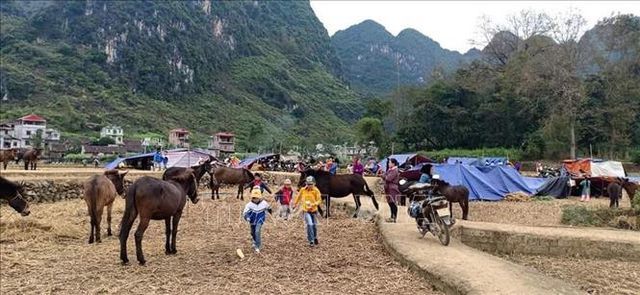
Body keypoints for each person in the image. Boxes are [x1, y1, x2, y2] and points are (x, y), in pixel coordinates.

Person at [293, 176, 322, 247]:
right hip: (306, 210)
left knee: (314, 225)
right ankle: (311, 240)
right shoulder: (303, 190)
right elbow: (298, 197)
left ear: (314, 184)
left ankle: (315, 237)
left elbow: (319, 200)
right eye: (308, 184)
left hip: (314, 210)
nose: (309, 185)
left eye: (311, 184)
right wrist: (295, 204)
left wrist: (314, 204)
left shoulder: (316, 190)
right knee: (309, 224)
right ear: (306, 183)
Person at [242, 187, 272, 253]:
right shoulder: (249, 205)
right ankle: (254, 241)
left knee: (257, 231)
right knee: (252, 232)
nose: (255, 199)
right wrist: (247, 217)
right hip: (252, 221)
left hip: (260, 219)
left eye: (257, 198)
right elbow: (245, 213)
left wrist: (271, 212)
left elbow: (269, 208)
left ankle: (258, 246)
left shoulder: (264, 203)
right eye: (253, 198)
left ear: (260, 197)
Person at [383, 158, 400, 223]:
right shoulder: (390, 170)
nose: (388, 164)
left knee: (393, 203)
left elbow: (388, 178)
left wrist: (384, 176)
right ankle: (392, 217)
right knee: (390, 203)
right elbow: (385, 176)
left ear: (393, 164)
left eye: (389, 163)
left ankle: (394, 217)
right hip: (389, 188)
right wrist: (385, 175)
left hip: (392, 188)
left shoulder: (395, 170)